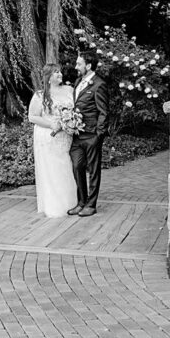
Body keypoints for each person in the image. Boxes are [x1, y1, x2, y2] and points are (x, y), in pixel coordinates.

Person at [27, 63, 79, 217]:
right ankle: (56, 205)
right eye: (56, 72)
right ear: (48, 78)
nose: (60, 74)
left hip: (66, 136)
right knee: (53, 170)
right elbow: (32, 117)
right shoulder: (40, 95)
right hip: (49, 137)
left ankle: (72, 203)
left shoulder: (69, 90)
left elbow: (77, 110)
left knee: (67, 168)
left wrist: (72, 121)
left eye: (60, 71)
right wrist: (52, 124)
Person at [68, 50, 109, 217]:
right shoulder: (79, 81)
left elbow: (103, 112)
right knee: (77, 167)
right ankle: (81, 202)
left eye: (79, 64)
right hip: (77, 135)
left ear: (89, 65)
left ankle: (91, 205)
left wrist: (99, 134)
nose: (76, 66)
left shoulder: (99, 84)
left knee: (93, 170)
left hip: (92, 135)